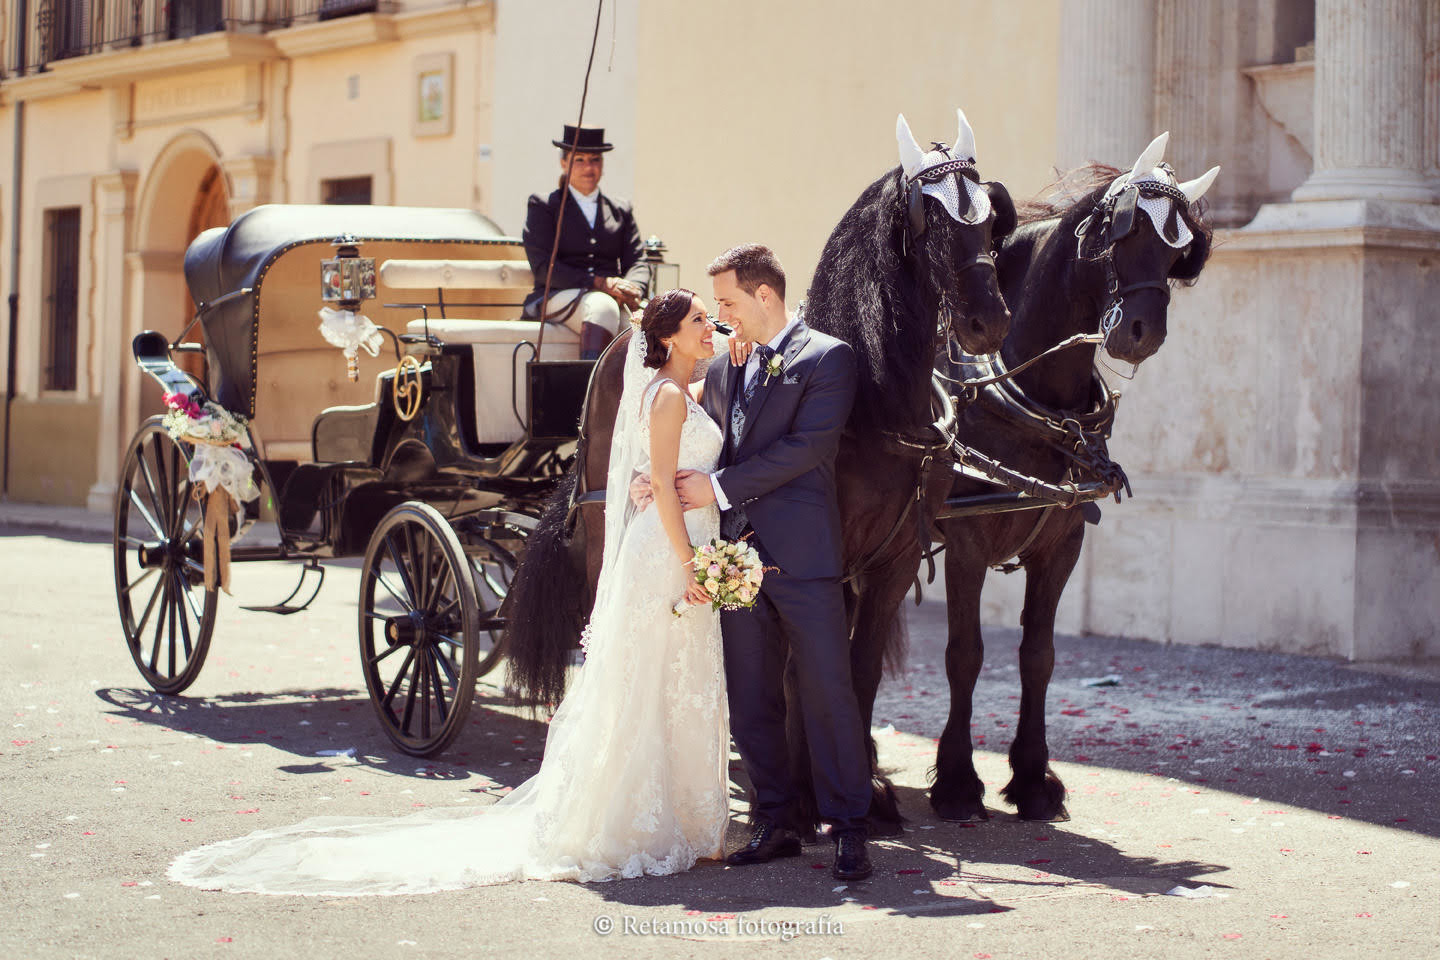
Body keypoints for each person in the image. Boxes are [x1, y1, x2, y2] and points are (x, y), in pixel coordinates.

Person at [167, 290, 727, 894]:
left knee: (670, 678)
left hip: (666, 538)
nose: (711, 324)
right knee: (651, 679)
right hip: (665, 537)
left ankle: (676, 811)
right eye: (700, 317)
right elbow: (666, 464)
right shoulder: (665, 393)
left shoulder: (677, 389)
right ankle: (639, 816)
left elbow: (684, 435)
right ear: (668, 337)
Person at [634, 243, 874, 881]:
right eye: (714, 307)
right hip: (732, 558)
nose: (720, 317)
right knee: (751, 697)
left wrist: (714, 490)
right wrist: (653, 483)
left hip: (802, 556)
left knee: (828, 693)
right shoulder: (727, 367)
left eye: (728, 302)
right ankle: (774, 821)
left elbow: (808, 446)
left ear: (764, 296)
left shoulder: (828, 357)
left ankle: (850, 826)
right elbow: (706, 441)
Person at [522, 125, 652, 360]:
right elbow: (542, 267)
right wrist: (599, 283)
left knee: (648, 322)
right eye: (579, 160)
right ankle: (590, 391)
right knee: (602, 308)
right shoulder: (544, 206)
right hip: (557, 294)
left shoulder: (620, 210)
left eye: (594, 160)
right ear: (564, 163)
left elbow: (638, 260)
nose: (588, 167)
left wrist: (633, 288)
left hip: (613, 297)